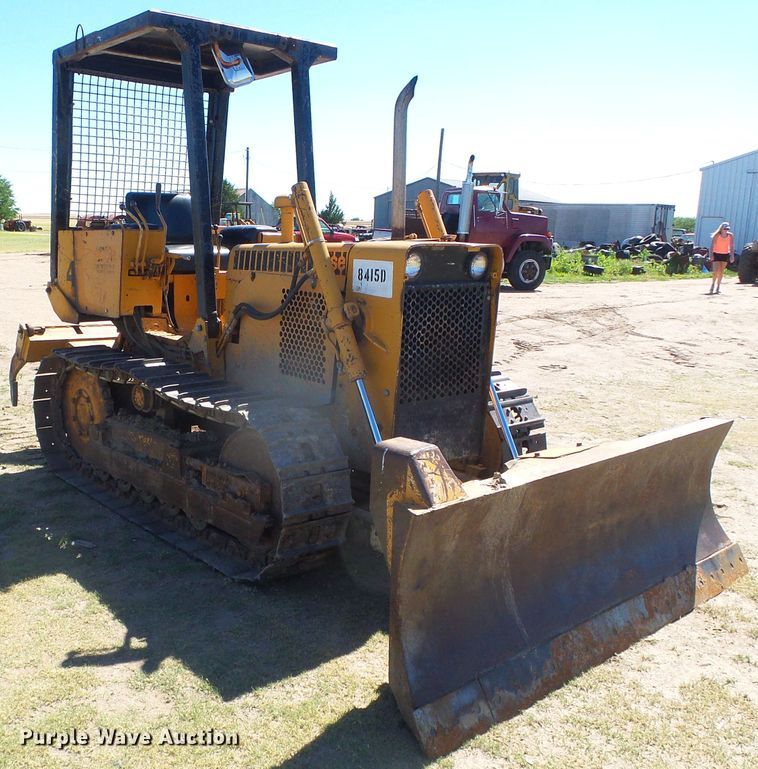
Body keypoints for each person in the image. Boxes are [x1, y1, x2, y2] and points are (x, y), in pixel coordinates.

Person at [709, 222, 734, 294]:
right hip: (716, 253)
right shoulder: (717, 235)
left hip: (725, 254)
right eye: (725, 228)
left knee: (721, 271)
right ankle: (713, 284)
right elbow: (712, 246)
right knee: (715, 271)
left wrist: (732, 255)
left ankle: (718, 286)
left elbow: (731, 246)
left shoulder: (730, 235)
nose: (726, 230)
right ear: (721, 228)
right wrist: (711, 255)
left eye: (727, 229)